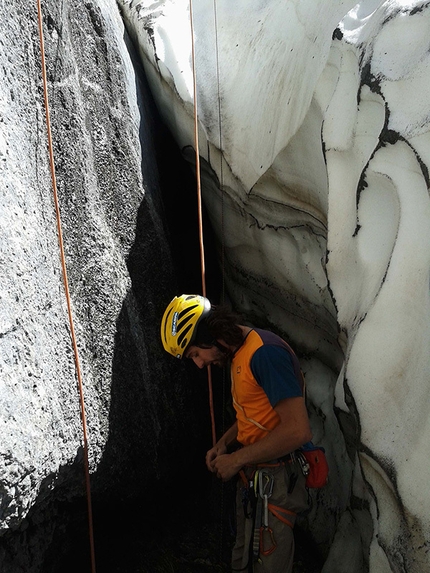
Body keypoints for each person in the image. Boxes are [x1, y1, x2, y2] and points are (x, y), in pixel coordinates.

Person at [161, 294, 313, 573]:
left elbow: (297, 429)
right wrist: (224, 444)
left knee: (269, 564)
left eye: (195, 353)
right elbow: (254, 414)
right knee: (244, 559)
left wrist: (236, 460)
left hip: (277, 478)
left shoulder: (265, 354)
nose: (199, 364)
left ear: (210, 335)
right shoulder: (239, 355)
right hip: (256, 475)